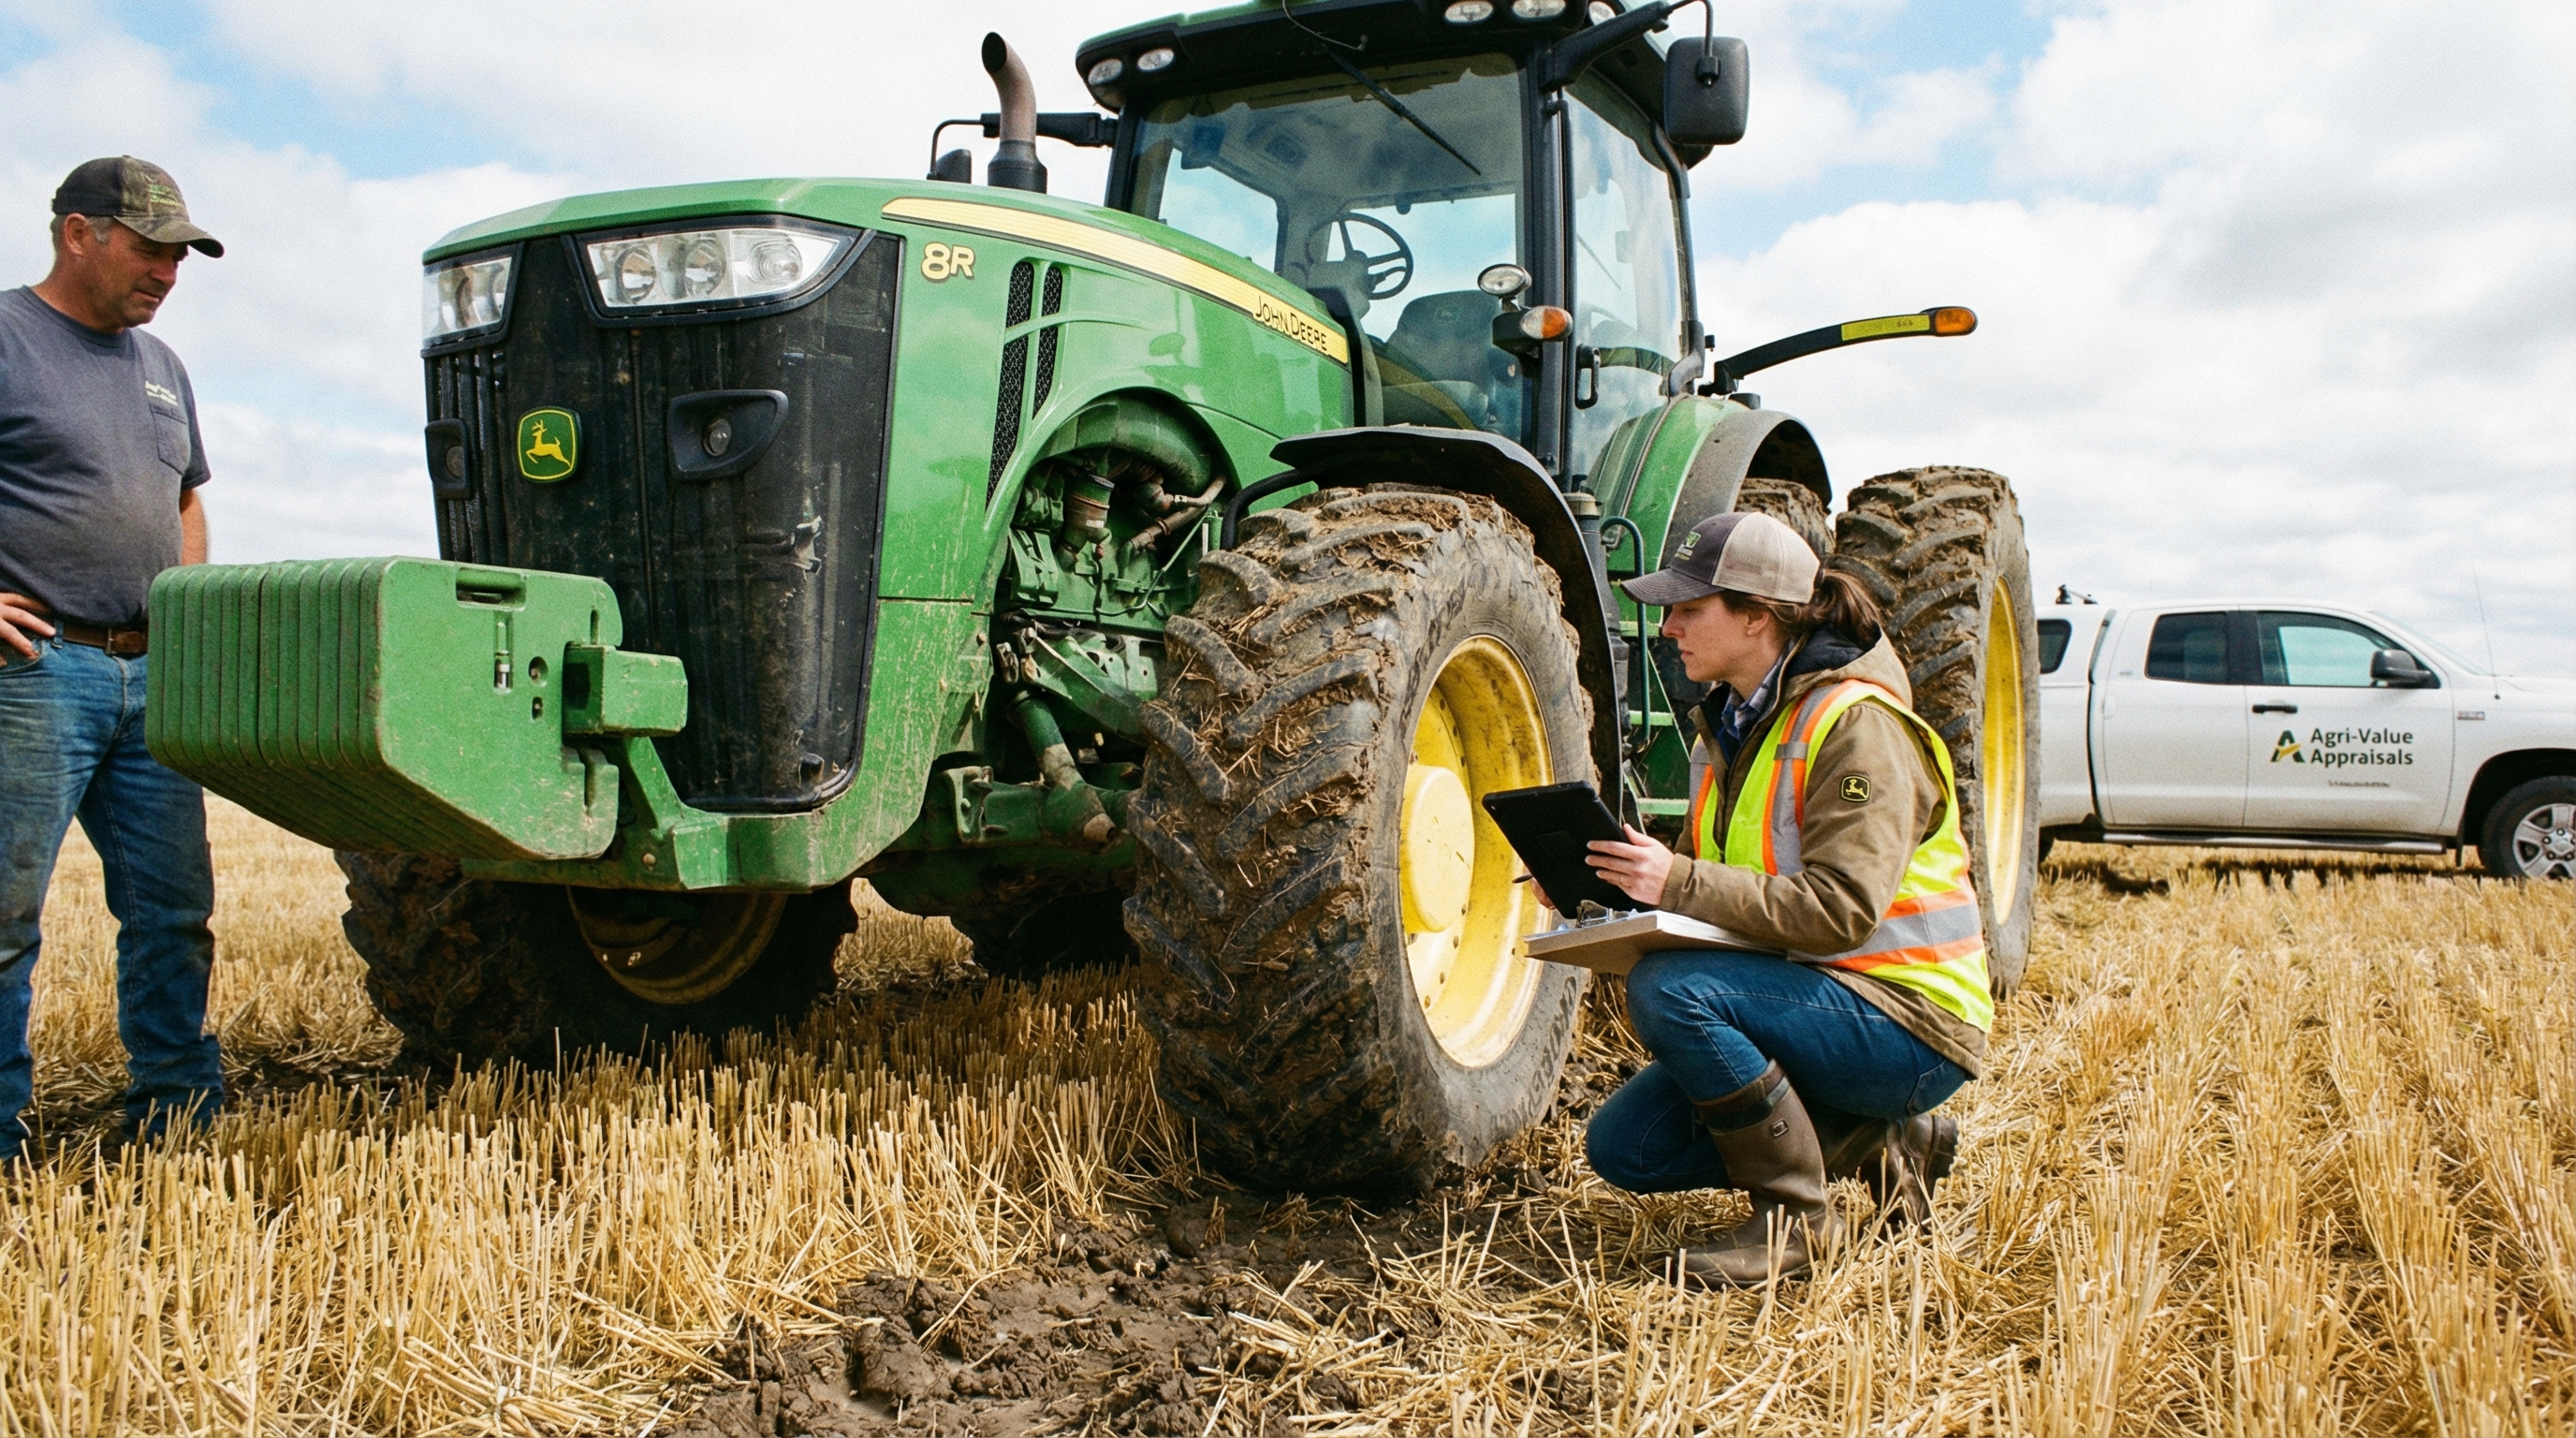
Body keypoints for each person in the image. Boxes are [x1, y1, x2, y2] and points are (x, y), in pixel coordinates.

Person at [1554, 510, 1992, 1285]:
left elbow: (1841, 910)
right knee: (1626, 1147)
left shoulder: (1858, 729)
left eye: (1691, 609)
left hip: (1911, 1022)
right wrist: (1605, 882)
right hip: (1818, 1000)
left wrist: (1676, 880)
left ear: (1757, 615)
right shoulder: (1726, 729)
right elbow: (1709, 880)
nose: (1671, 627)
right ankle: (1885, 1142)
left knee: (1671, 989)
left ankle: (1796, 1225)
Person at [0, 156, 229, 1160]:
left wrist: (179, 610)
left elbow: (184, 500)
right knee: (6, 920)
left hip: (152, 679)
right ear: (77, 232)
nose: (167, 272)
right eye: (149, 248)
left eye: (179, 256)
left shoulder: (162, 365)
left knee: (174, 910)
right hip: (36, 672)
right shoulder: (7, 338)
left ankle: (176, 1110)